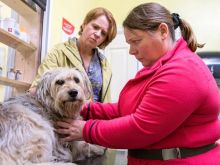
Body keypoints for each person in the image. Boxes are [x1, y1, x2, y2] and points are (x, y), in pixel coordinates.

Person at [56, 2, 220, 165]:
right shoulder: (158, 67)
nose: (131, 50)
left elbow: (140, 128)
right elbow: (125, 109)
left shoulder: (183, 71)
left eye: (136, 41)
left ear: (163, 31)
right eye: (129, 44)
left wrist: (86, 130)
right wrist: (87, 108)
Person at [30, 7, 117, 103]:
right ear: (84, 24)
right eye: (95, 27)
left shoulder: (104, 63)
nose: (97, 34)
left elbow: (105, 100)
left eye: (103, 33)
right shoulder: (58, 52)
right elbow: (37, 90)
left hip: (96, 115)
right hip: (63, 116)